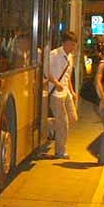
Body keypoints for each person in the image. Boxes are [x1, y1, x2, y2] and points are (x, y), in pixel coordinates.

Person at [46, 31, 79, 159]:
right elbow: (45, 71)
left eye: (74, 45)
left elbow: (68, 75)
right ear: (64, 43)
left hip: (66, 92)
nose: (73, 47)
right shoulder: (54, 54)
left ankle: (46, 124)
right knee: (63, 122)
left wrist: (72, 91)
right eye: (71, 44)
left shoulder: (70, 57)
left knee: (72, 118)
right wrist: (55, 82)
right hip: (55, 93)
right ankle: (60, 151)